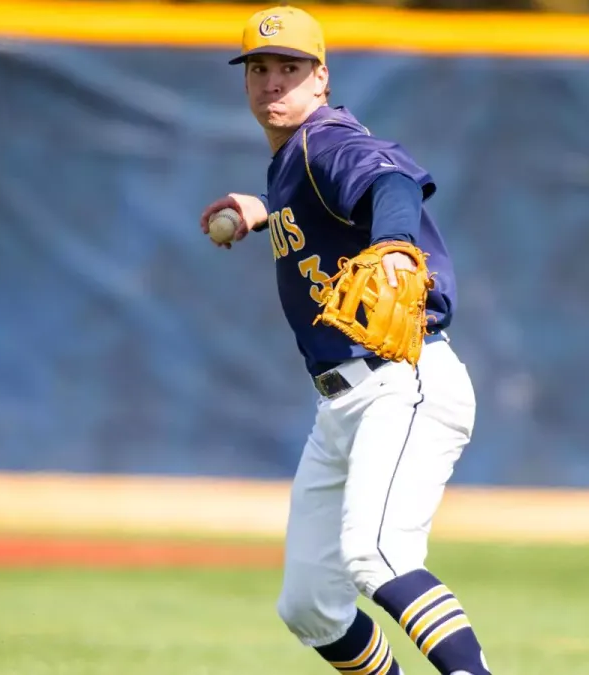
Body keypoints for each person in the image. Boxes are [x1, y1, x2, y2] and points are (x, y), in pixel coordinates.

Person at [199, 6, 491, 674]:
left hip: (401, 381)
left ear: (320, 77)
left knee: (378, 554)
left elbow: (388, 178)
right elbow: (319, 222)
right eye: (260, 69)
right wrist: (264, 212)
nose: (273, 83)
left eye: (289, 69)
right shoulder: (290, 165)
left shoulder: (324, 140)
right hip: (340, 407)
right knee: (308, 603)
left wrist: (391, 245)